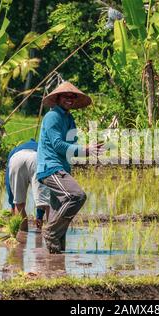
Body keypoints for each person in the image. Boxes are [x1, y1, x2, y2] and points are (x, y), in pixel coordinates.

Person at [36, 82, 104, 254]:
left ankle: (54, 260)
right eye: (66, 96)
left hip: (62, 168)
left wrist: (88, 150)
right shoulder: (52, 117)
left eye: (72, 97)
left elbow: (71, 146)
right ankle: (50, 232)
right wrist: (85, 149)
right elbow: (58, 145)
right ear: (58, 98)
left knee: (58, 211)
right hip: (51, 168)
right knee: (76, 196)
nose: (69, 99)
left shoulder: (69, 118)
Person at [5, 139, 50, 232]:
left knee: (19, 204)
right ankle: (53, 236)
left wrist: (13, 204)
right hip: (36, 158)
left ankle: (22, 237)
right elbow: (44, 192)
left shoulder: (15, 150)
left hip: (16, 159)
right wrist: (39, 216)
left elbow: (8, 182)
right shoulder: (41, 147)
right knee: (46, 203)